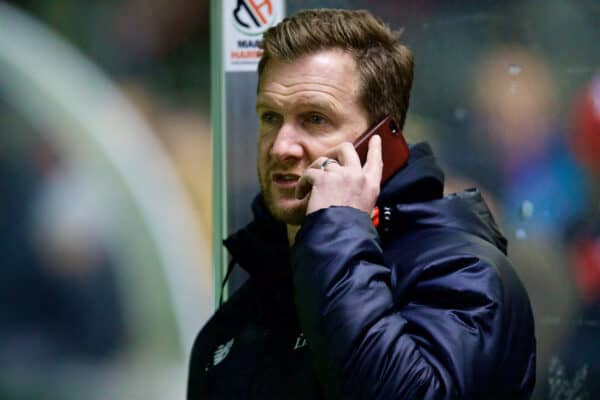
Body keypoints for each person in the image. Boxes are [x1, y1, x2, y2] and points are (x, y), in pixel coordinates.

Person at [188, 8, 536, 400]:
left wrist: (338, 224)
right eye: (270, 116)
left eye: (315, 119)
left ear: (379, 143)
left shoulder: (463, 272)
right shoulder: (249, 302)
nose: (281, 145)